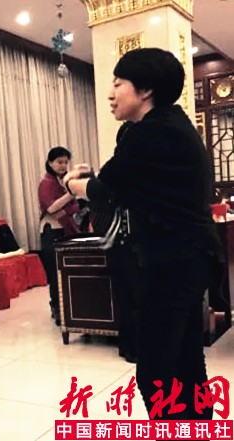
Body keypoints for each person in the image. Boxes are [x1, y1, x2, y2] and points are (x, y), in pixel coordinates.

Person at [64, 48, 222, 422]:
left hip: (173, 263)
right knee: (185, 362)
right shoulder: (173, 124)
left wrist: (72, 183)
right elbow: (129, 186)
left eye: (118, 83)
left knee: (155, 371)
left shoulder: (150, 133)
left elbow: (105, 190)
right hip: (190, 258)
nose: (110, 93)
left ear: (146, 89)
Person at [38, 147, 80, 325]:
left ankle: (70, 308)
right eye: (59, 162)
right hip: (51, 231)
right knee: (56, 273)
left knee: (68, 271)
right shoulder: (46, 183)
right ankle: (56, 307)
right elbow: (51, 208)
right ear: (50, 163)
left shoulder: (65, 181)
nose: (63, 166)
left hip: (67, 229)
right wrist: (70, 196)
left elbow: (76, 206)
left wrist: (67, 207)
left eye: (65, 162)